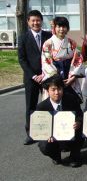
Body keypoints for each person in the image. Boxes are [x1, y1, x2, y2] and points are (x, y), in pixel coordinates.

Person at [18, 10, 53, 145]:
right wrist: (33, 75)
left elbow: (52, 56)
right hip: (31, 78)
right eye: (33, 20)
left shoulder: (49, 36)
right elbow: (22, 59)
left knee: (50, 104)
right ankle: (31, 134)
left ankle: (51, 130)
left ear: (41, 21)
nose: (35, 23)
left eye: (38, 20)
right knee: (31, 106)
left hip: (47, 76)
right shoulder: (23, 38)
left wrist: (45, 73)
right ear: (28, 22)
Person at [36, 75, 83, 167]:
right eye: (53, 89)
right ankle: (56, 156)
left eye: (59, 89)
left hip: (70, 132)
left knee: (81, 131)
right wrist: (46, 134)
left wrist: (78, 122)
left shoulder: (71, 99)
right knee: (44, 146)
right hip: (52, 137)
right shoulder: (42, 107)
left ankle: (74, 156)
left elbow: (80, 115)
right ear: (48, 91)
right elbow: (39, 127)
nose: (57, 92)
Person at [41, 16, 84, 104]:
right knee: (55, 100)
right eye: (59, 26)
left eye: (64, 27)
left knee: (71, 102)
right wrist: (56, 79)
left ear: (67, 28)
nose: (61, 29)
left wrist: (73, 77)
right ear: (54, 28)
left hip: (69, 74)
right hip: (54, 76)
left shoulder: (72, 43)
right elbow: (46, 62)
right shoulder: (48, 43)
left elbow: (78, 59)